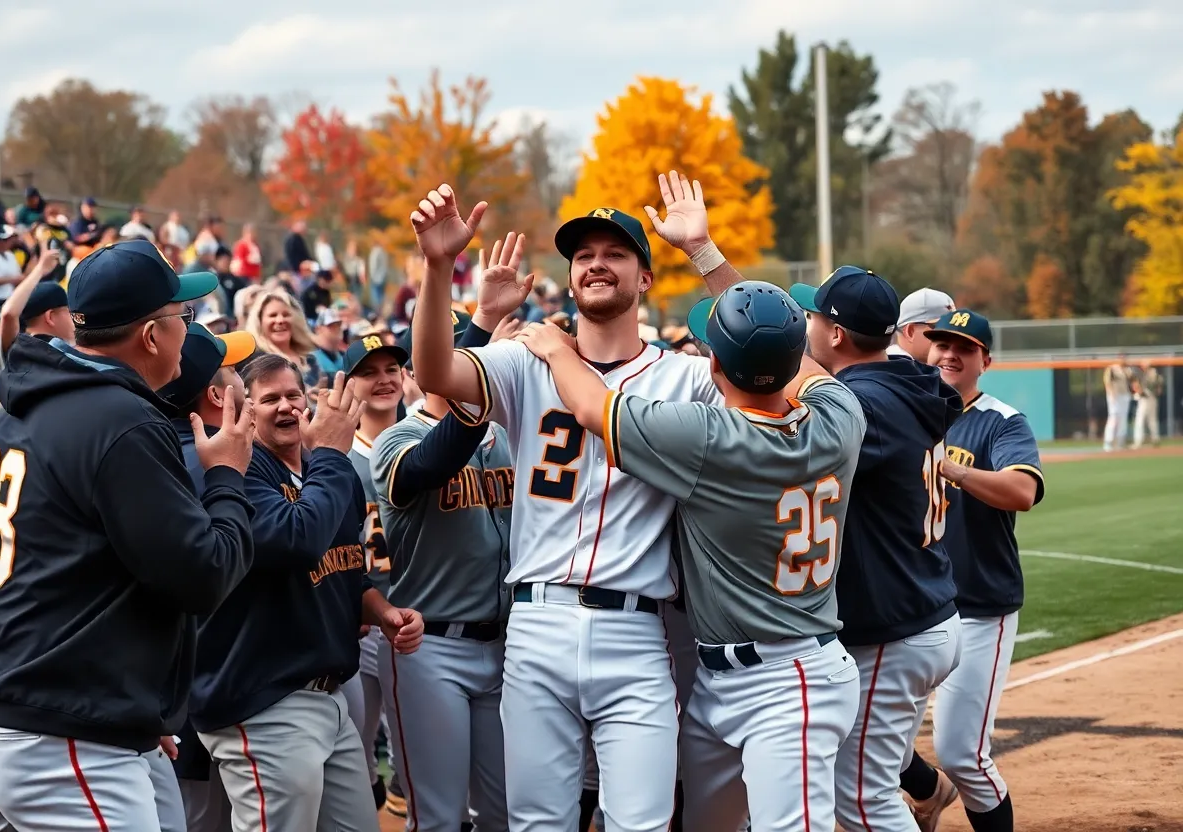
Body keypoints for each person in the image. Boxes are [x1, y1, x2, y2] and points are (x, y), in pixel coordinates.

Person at [408, 172, 747, 831]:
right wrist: (437, 266)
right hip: (536, 623)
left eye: (616, 252)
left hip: (637, 627)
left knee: (642, 824)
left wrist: (703, 251)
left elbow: (760, 354)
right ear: (570, 278)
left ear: (645, 278)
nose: (596, 262)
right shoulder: (525, 359)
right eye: (583, 254)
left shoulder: (682, 375)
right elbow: (433, 373)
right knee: (538, 824)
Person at [514, 279, 866, 832]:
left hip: (790, 680)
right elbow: (800, 366)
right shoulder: (840, 417)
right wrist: (706, 254)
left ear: (717, 368)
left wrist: (557, 347)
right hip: (727, 677)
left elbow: (588, 405)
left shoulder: (706, 437)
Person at [0, 238, 258, 829]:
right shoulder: (119, 418)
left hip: (5, 707)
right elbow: (202, 575)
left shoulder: (19, 408)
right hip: (55, 729)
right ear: (151, 336)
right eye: (183, 317)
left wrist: (135, 704)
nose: (186, 328)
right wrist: (226, 475)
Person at [191, 360, 425, 832]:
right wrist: (335, 456)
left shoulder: (320, 469)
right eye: (270, 398)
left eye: (293, 396)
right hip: (263, 696)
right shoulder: (241, 466)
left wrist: (382, 611)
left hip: (328, 692)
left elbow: (342, 568)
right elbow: (295, 541)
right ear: (248, 411)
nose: (285, 407)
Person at [789, 270, 963, 832]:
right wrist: (707, 256)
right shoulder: (905, 377)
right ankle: (931, 789)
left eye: (815, 316)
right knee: (867, 776)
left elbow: (798, 373)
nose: (807, 325)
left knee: (862, 799)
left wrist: (708, 257)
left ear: (836, 334)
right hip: (921, 606)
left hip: (895, 626)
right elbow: (803, 367)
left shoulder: (865, 405)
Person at [901, 309, 1045, 832]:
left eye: (963, 347)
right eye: (941, 344)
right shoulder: (910, 409)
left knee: (962, 752)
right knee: (878, 743)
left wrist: (953, 467)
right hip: (917, 605)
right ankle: (929, 792)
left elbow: (1022, 491)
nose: (949, 355)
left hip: (981, 606)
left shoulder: (1001, 421)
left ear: (985, 359)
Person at [372, 310, 514, 832]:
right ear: (419, 370)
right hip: (431, 646)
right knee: (439, 817)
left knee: (506, 813)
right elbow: (430, 465)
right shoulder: (397, 438)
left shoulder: (506, 433)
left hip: (507, 644)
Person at [160, 322, 258, 832]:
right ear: (218, 395)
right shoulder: (212, 465)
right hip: (216, 681)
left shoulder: (161, 452)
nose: (245, 380)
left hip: (184, 685)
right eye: (236, 373)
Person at [340, 331, 410, 812]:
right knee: (358, 752)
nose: (383, 380)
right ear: (349, 384)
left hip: (414, 614)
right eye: (368, 372)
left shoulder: (424, 440)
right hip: (361, 619)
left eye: (391, 369)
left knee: (413, 757)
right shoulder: (338, 454)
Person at [0, 249, 68, 381]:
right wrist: (40, 270)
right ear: (51, 317)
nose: (74, 318)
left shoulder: (72, 347)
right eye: (68, 312)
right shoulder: (21, 348)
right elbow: (9, 313)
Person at [245, 288, 321, 386]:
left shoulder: (310, 359)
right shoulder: (255, 362)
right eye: (273, 315)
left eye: (286, 315)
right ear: (259, 322)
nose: (280, 320)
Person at [889, 288, 956, 362]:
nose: (952, 337)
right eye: (940, 329)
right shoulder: (893, 369)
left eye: (954, 329)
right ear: (910, 332)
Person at [1102, 354, 1132, 452]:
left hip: (1124, 395)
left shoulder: (1127, 370)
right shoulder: (1112, 368)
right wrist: (1110, 393)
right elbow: (1107, 381)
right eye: (1121, 357)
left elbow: (1133, 381)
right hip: (1114, 395)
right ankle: (1108, 442)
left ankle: (1120, 442)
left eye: (1124, 358)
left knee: (1123, 419)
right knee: (1113, 417)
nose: (1122, 360)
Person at [1132, 359, 1163, 449]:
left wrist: (1139, 389)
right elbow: (1159, 387)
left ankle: (1138, 441)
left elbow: (1139, 386)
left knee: (1139, 419)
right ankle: (1155, 439)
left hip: (1146, 398)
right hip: (1152, 398)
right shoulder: (1155, 373)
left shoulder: (1147, 374)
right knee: (1152, 420)